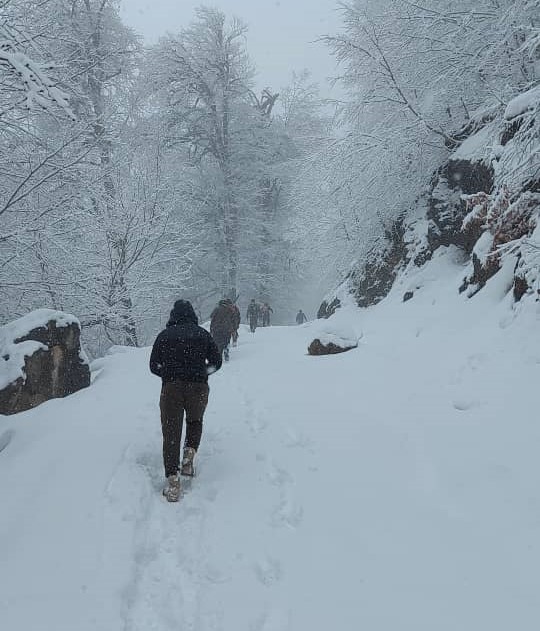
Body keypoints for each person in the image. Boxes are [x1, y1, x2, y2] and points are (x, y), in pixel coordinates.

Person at [150, 299, 222, 502]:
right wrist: (202, 373)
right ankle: (189, 459)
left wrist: (168, 374)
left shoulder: (165, 336)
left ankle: (173, 482)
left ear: (174, 315)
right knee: (194, 421)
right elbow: (217, 361)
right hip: (198, 387)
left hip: (171, 388)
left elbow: (153, 365)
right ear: (192, 314)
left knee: (171, 431)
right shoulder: (202, 334)